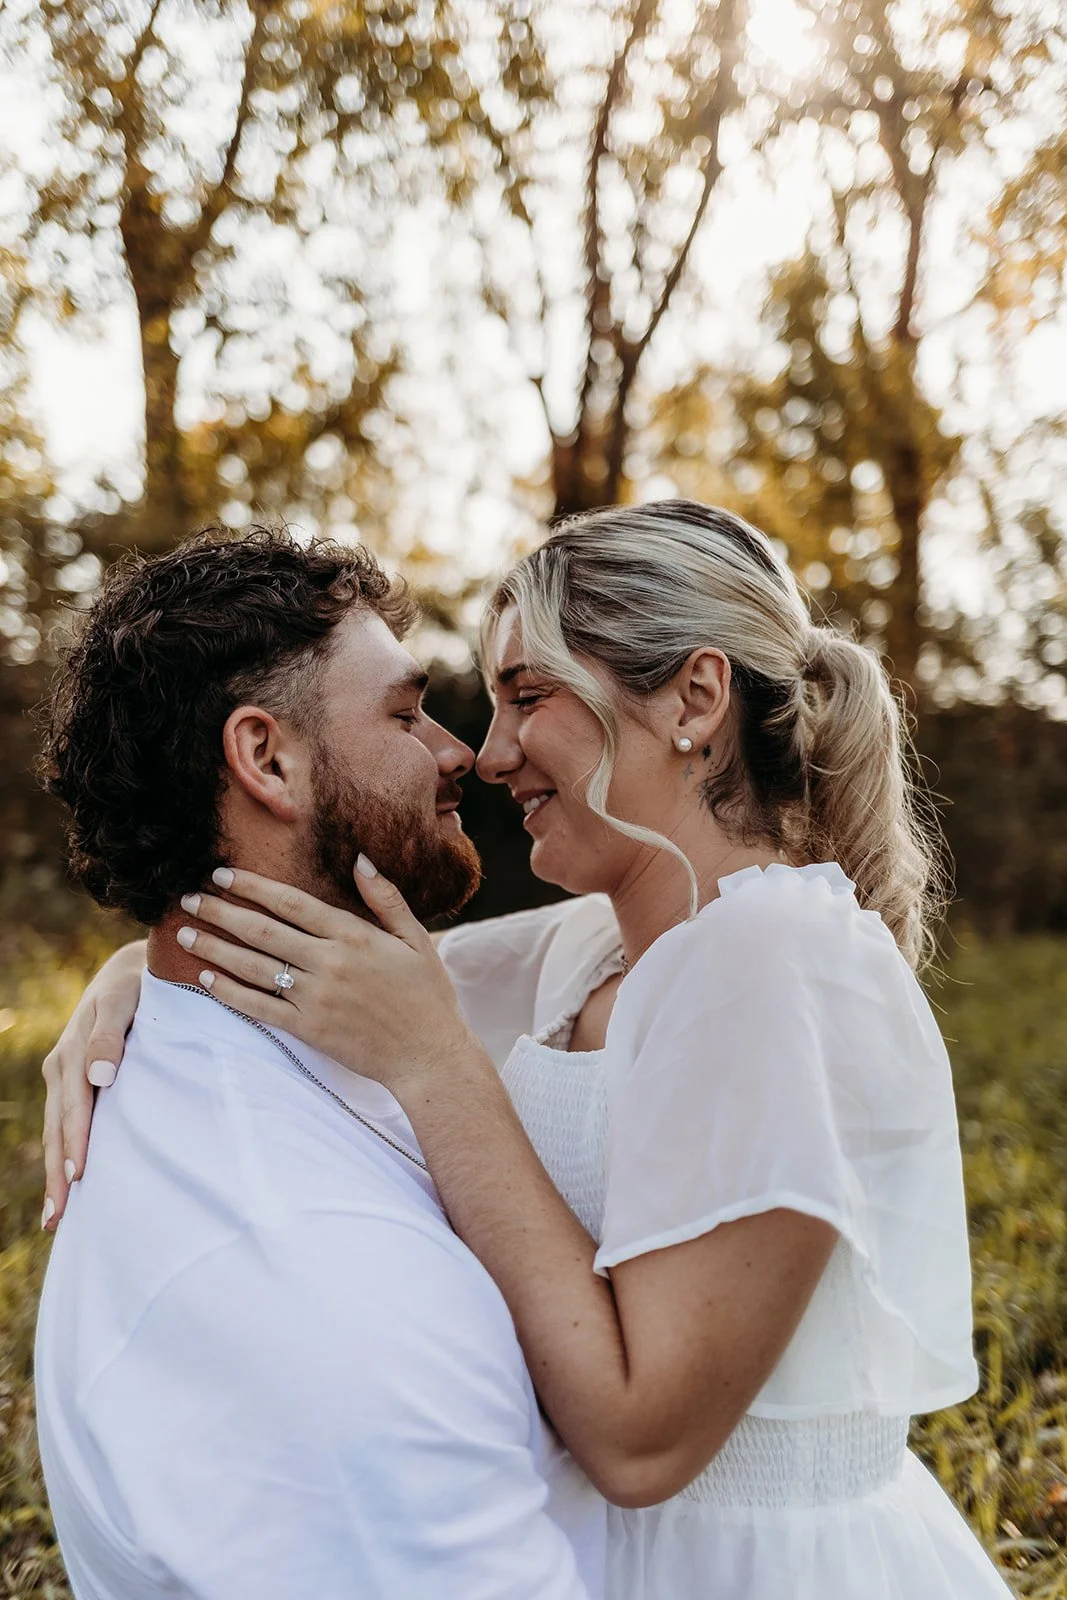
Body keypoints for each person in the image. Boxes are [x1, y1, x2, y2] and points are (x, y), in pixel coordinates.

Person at [44, 502, 1014, 1600]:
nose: (491, 753)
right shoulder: (581, 951)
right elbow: (323, 954)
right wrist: (134, 976)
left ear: (694, 700)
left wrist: (440, 1070)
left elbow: (643, 1443)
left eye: (528, 695)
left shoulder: (777, 958)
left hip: (757, 1564)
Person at [33, 527, 605, 1600]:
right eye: (402, 711)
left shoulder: (242, 1045)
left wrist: (138, 963)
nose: (458, 753)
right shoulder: (314, 1281)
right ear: (267, 760)